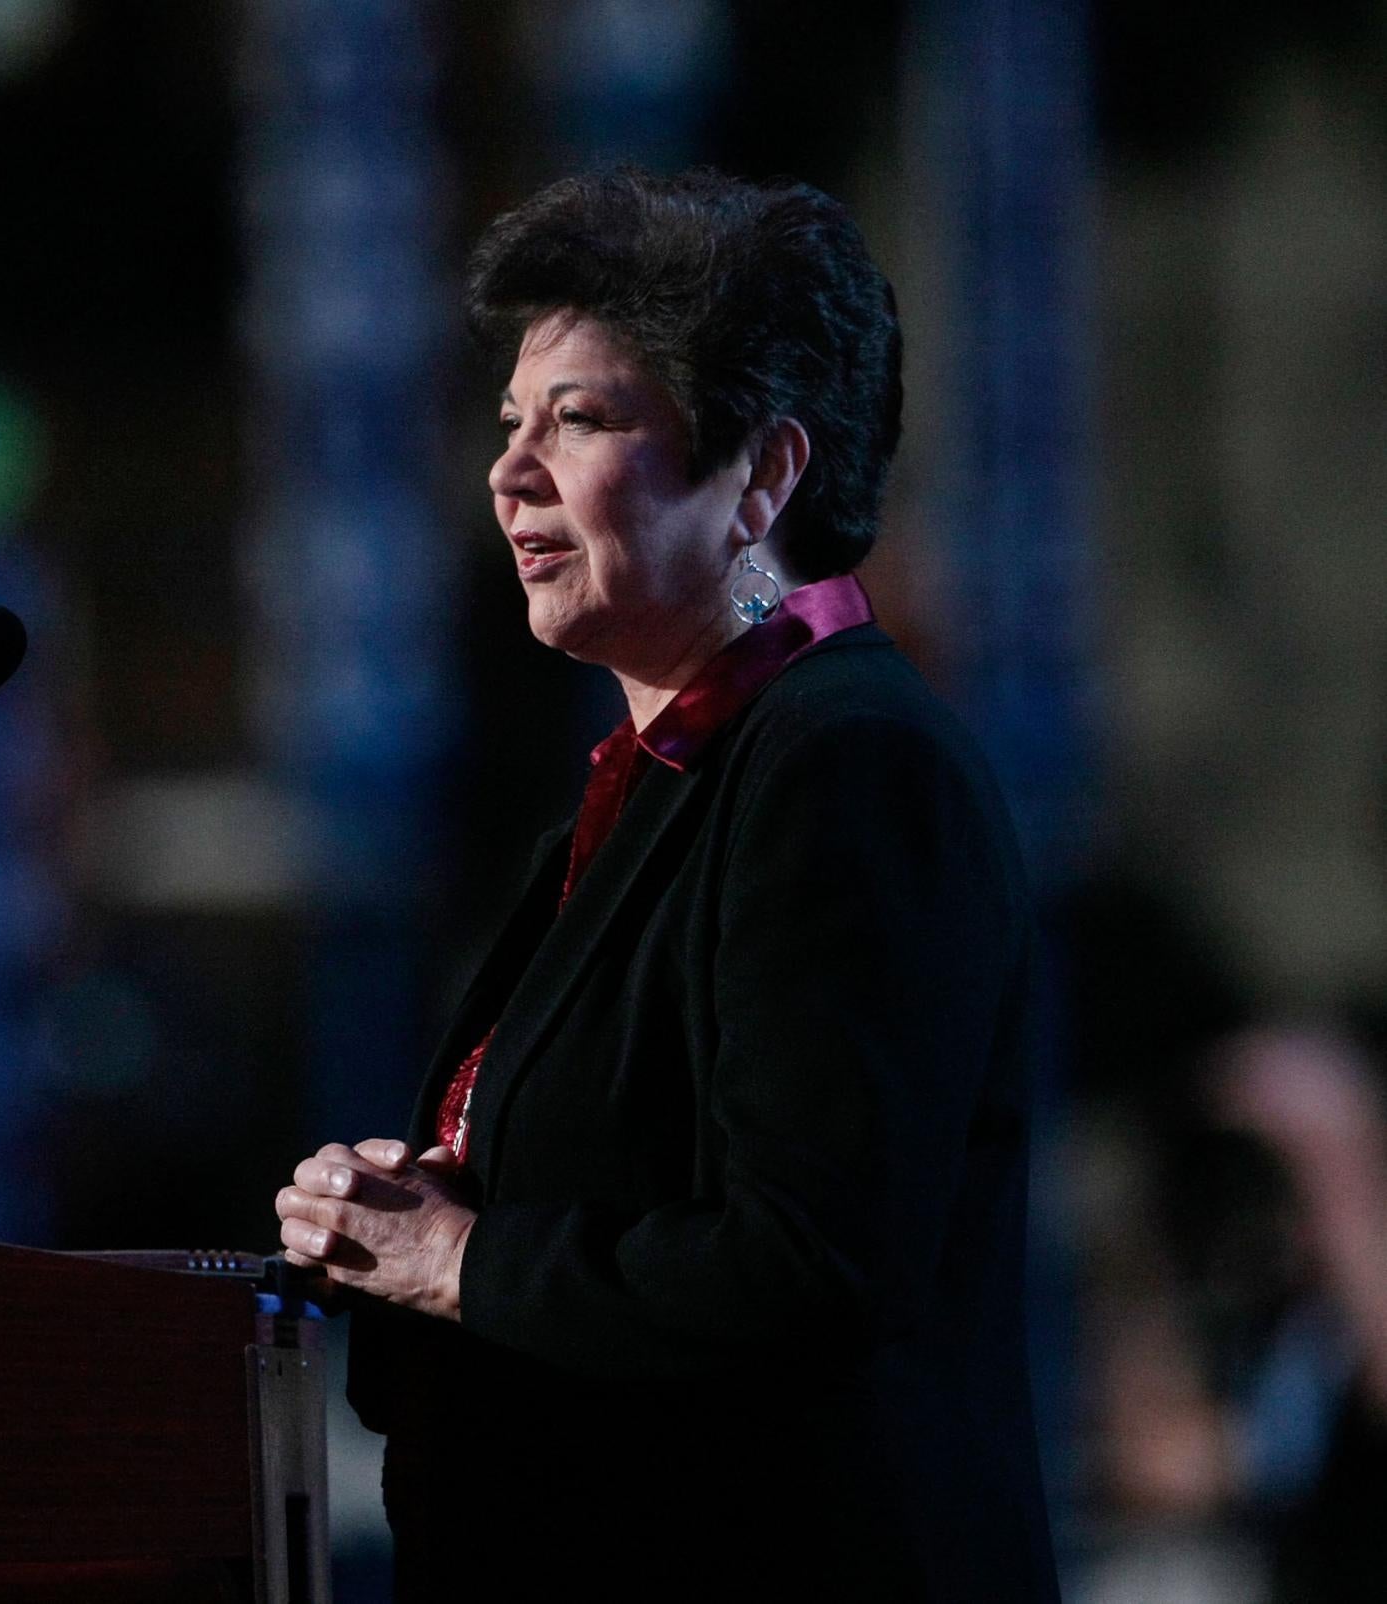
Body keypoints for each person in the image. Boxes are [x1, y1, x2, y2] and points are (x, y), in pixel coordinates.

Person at [272, 168, 1059, 1599]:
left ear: (765, 473)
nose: (510, 472)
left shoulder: (848, 766)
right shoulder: (660, 776)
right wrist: (422, 1214)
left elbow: (811, 1263)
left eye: (580, 420)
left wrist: (465, 1261)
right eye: (514, 425)